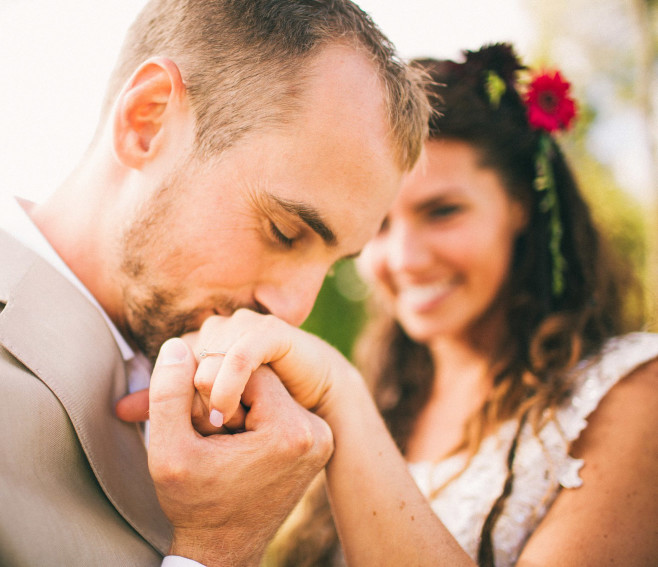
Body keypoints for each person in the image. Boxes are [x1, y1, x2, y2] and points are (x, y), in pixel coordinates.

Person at [0, 1, 431, 566]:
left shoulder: (227, 403)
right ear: (147, 121)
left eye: (335, 262)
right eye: (284, 230)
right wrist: (217, 549)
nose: (293, 309)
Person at [150, 44, 658, 566]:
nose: (406, 259)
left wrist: (340, 395)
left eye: (442, 212)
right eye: (381, 228)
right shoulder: (393, 398)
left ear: (519, 206)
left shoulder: (636, 392)